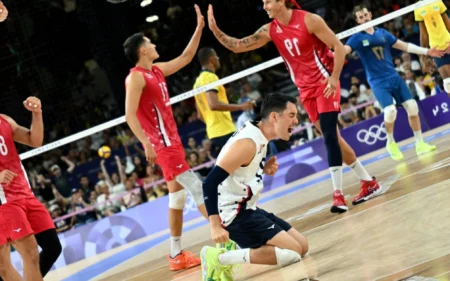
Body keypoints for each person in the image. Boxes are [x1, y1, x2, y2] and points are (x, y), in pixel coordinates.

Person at [207, 0, 381, 212]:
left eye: (268, 2)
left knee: (328, 134)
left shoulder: (310, 20)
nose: (264, 6)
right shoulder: (271, 29)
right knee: (333, 137)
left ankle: (338, 195)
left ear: (281, 1)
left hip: (325, 83)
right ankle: (368, 182)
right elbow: (238, 46)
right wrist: (215, 30)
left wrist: (334, 78)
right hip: (305, 91)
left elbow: (337, 47)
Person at [124, 4, 207, 271]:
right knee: (196, 187)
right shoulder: (135, 78)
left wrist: (199, 29)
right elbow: (129, 115)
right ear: (143, 50)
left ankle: (175, 254)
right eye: (150, 42)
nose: (154, 43)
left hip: (173, 140)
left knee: (177, 199)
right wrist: (146, 142)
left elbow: (184, 58)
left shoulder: (156, 70)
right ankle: (231, 234)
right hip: (163, 145)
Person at [200, 93, 308, 280]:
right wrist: (215, 226)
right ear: (274, 116)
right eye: (291, 115)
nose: (296, 121)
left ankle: (232, 250)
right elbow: (209, 183)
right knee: (294, 252)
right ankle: (220, 258)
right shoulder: (248, 143)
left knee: (303, 246)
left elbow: (240, 169)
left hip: (248, 208)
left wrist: (262, 168)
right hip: (234, 214)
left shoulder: (260, 134)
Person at [345, 5, 439, 161]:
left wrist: (427, 51)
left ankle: (420, 143)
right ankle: (390, 142)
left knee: (412, 107)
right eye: (360, 18)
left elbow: (405, 46)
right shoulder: (356, 38)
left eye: (366, 15)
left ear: (370, 14)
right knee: (390, 111)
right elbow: (344, 50)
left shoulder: (383, 33)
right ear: (357, 21)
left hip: (394, 76)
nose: (365, 19)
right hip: (377, 81)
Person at [0, 97, 62, 281]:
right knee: (29, 254)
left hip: (26, 194)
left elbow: (34, 140)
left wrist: (37, 113)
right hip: (5, 201)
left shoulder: (4, 120)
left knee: (52, 247)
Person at [193, 47, 255, 157]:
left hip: (214, 132)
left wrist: (213, 125)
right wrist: (241, 106)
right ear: (212, 59)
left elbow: (199, 115)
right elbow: (214, 105)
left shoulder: (197, 83)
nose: (218, 58)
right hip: (224, 130)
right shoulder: (210, 77)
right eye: (216, 56)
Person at [415, 0, 450, 95]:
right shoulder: (418, 7)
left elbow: (448, 24)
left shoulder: (437, 1)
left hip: (448, 43)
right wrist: (423, 54)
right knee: (448, 84)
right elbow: (423, 33)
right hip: (437, 50)